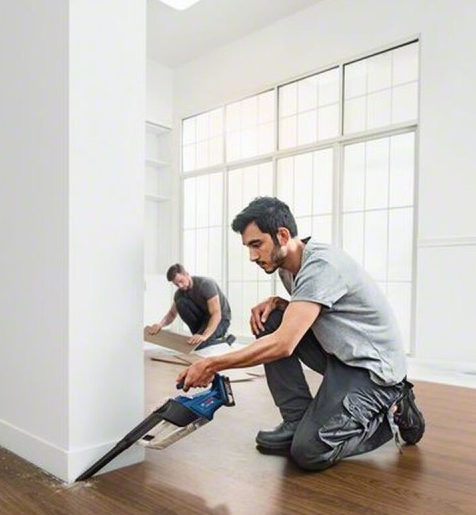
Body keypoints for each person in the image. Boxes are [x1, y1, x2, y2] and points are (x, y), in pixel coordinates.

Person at [176, 197, 425, 471]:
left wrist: (211, 364)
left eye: (257, 245)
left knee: (309, 451)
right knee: (270, 320)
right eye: (248, 247)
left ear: (282, 235)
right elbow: (320, 310)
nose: (252, 256)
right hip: (342, 356)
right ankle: (296, 419)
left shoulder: (321, 266)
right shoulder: (287, 267)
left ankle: (391, 411)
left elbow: (284, 344)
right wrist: (281, 303)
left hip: (373, 372)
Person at [148, 263, 235, 350]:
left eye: (181, 281)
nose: (180, 286)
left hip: (221, 320)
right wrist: (160, 325)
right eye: (176, 284)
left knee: (198, 345)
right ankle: (200, 336)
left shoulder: (206, 284)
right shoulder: (179, 294)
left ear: (187, 274)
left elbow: (216, 314)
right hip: (204, 320)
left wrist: (204, 336)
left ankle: (227, 341)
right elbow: (172, 314)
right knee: (180, 303)